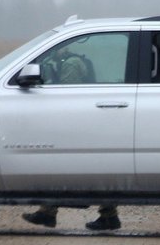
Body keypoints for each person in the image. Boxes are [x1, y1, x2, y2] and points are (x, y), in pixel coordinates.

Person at [22, 46, 120, 231]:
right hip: (84, 121)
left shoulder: (71, 64)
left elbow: (68, 93)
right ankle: (49, 212)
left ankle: (49, 212)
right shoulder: (69, 62)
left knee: (68, 167)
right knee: (90, 169)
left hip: (78, 123)